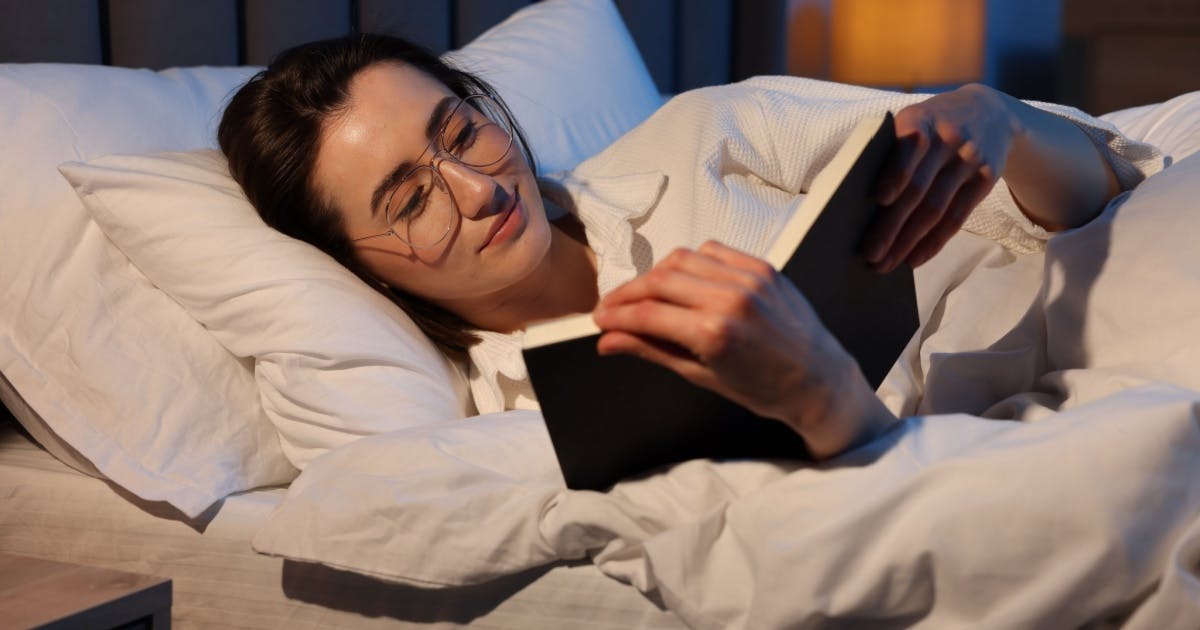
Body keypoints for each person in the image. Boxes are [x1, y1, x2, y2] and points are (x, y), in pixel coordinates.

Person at [218, 34, 1156, 462]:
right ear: (357, 262)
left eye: (461, 134)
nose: (478, 188)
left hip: (1114, 296)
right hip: (1000, 453)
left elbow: (1102, 193)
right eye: (412, 199)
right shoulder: (513, 419)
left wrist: (1002, 122)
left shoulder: (701, 138)